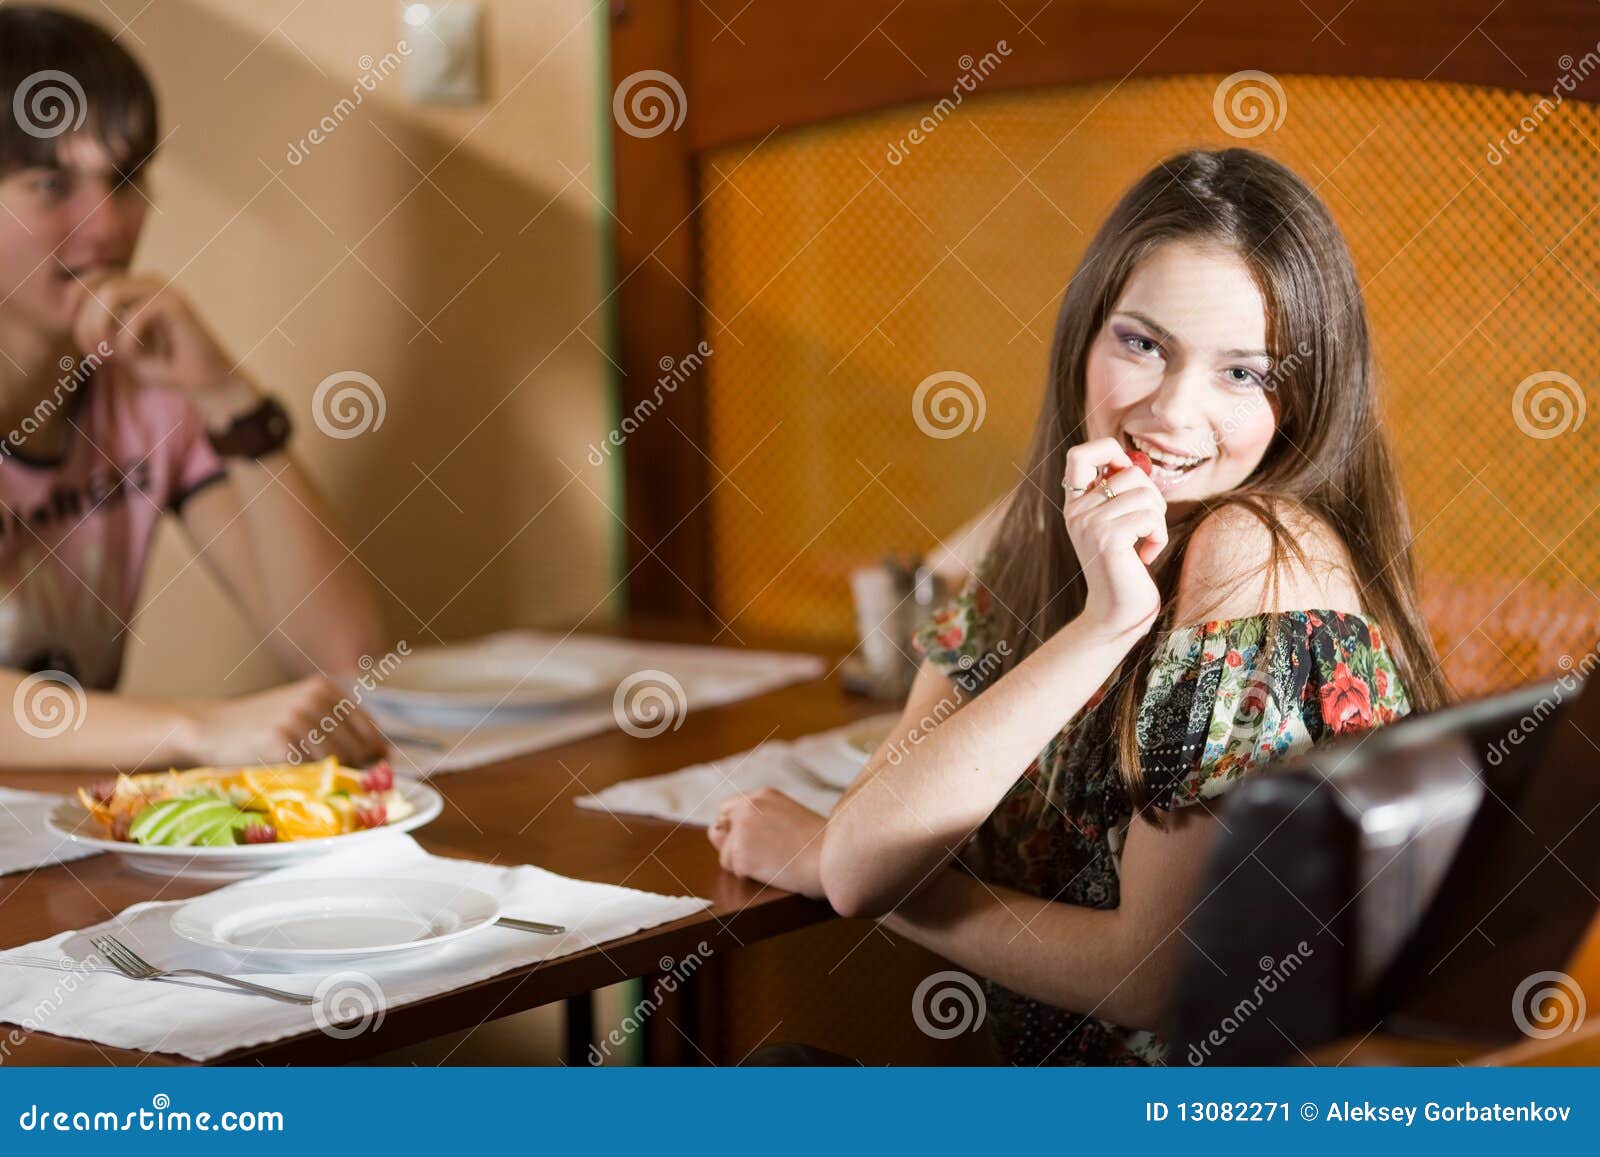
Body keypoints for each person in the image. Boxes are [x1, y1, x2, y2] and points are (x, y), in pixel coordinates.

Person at [708, 147, 1453, 1065]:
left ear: (1302, 396)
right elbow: (863, 857)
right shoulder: (1024, 527)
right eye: (1142, 344)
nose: (1173, 413)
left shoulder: (1254, 554)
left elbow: (1152, 977)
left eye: (1242, 373)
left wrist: (851, 868)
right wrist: (1100, 620)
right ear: (1086, 336)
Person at [0, 7, 388, 770]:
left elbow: (348, 653)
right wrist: (200, 726)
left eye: (126, 181)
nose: (107, 226)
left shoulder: (140, 395)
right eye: (52, 185)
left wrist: (222, 392)